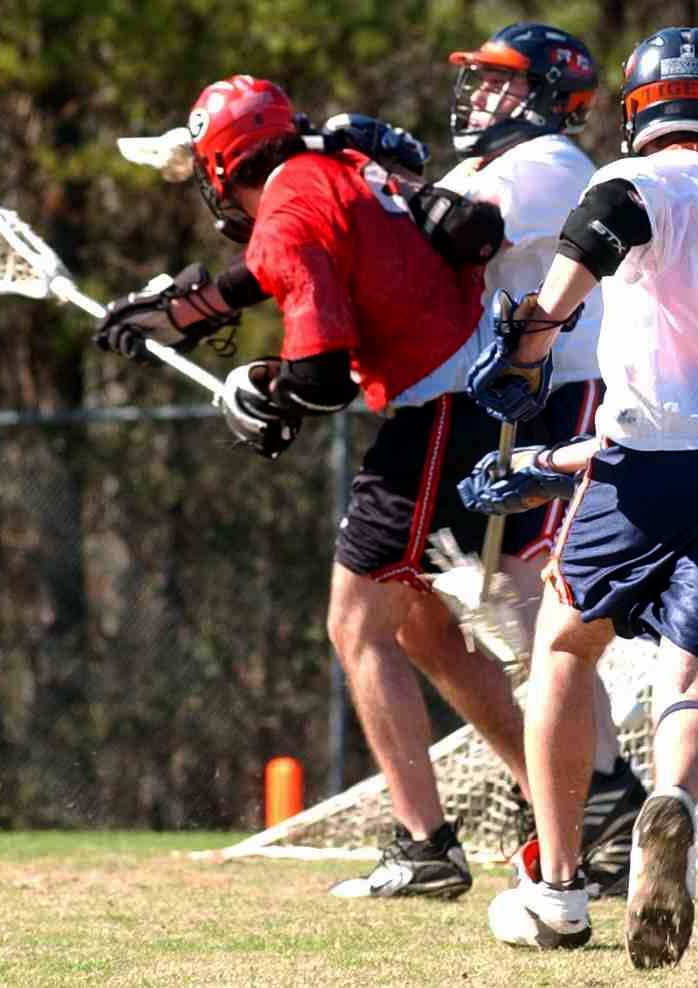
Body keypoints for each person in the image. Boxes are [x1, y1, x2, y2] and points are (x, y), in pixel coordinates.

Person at [93, 28, 643, 902]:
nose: (480, 99)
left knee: (404, 620)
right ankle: (578, 805)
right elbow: (329, 261)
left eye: (502, 85)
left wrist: (273, 390)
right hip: (470, 396)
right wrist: (193, 312)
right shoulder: (332, 178)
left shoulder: (543, 164)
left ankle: (449, 838)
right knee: (426, 626)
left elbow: (422, 260)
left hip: (484, 401)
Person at [459, 25, 698, 968]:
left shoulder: (645, 176)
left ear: (639, 111)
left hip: (660, 464)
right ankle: (675, 803)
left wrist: (536, 332)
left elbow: (611, 212)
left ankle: (558, 890)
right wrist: (552, 461)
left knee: (564, 646)